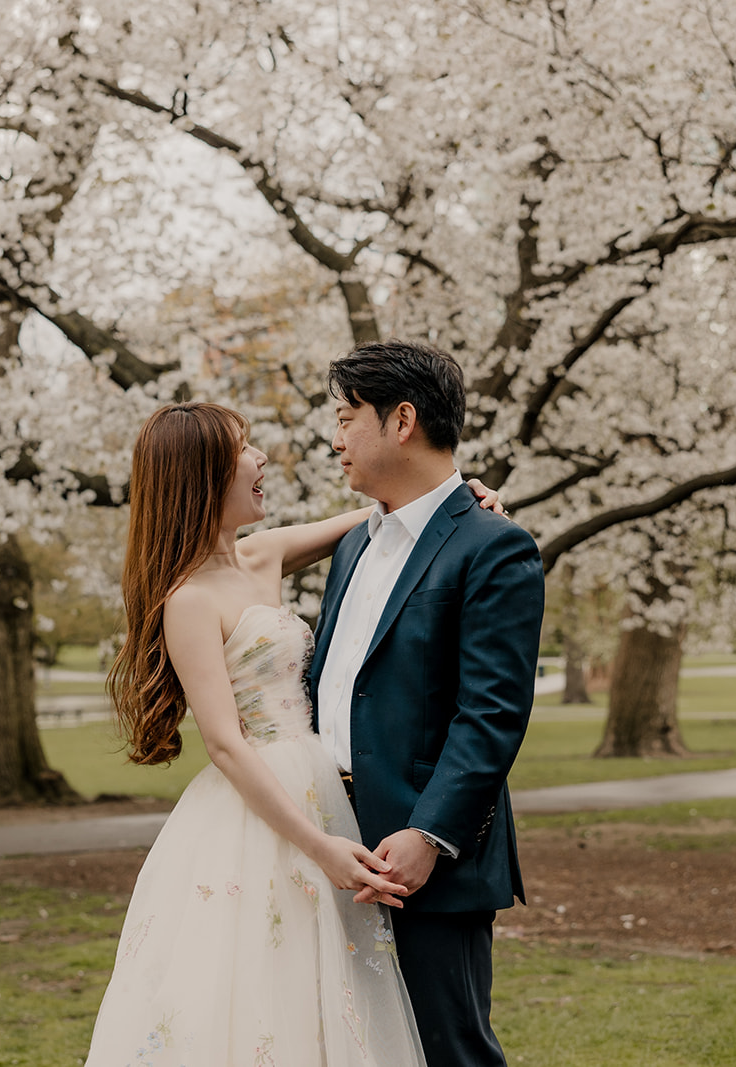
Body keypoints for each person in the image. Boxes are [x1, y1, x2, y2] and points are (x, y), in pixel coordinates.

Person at [85, 400, 506, 1066]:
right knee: (259, 990)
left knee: (337, 990)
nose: (260, 460)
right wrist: (323, 846)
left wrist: (462, 495)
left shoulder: (265, 553)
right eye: (242, 450)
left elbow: (394, 520)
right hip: (267, 810)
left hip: (326, 783)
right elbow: (224, 744)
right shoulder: (189, 599)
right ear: (202, 476)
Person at [310, 339, 546, 1066]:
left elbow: (493, 712)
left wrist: (430, 834)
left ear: (401, 419)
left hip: (425, 864)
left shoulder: (493, 547)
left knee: (449, 1052)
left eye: (347, 416)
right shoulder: (355, 544)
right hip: (332, 845)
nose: (335, 436)